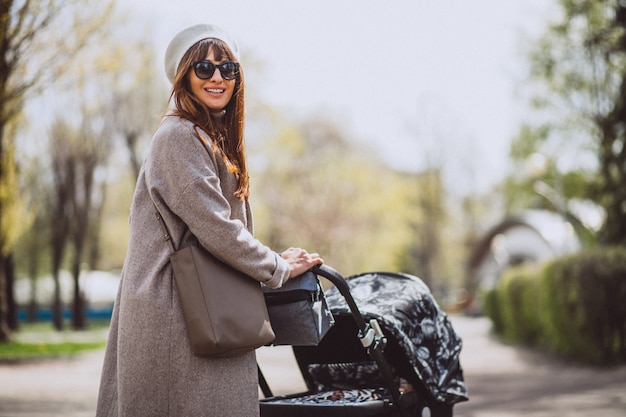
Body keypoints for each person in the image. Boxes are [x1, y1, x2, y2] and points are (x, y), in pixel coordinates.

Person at [96, 24, 323, 417]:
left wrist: (270, 261)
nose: (217, 77)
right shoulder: (179, 135)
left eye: (227, 68)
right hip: (174, 312)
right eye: (204, 67)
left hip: (198, 305)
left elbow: (217, 229)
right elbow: (217, 228)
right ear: (183, 76)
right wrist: (278, 267)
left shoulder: (206, 136)